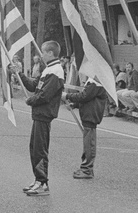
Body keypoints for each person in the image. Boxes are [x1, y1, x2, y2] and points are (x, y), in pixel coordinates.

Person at [16, 40, 64, 196]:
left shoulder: (56, 70)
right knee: (34, 148)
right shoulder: (48, 69)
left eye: (43, 52)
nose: (41, 55)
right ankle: (38, 179)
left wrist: (30, 101)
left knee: (40, 149)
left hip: (44, 114)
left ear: (50, 53)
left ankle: (43, 183)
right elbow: (33, 85)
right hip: (39, 114)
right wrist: (19, 74)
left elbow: (45, 95)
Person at [62, 74, 108, 179]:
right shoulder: (92, 81)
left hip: (91, 115)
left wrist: (67, 96)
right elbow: (87, 97)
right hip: (88, 114)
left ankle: (87, 169)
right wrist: (75, 104)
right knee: (87, 142)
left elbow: (85, 96)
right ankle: (85, 166)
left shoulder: (97, 83)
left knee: (89, 143)